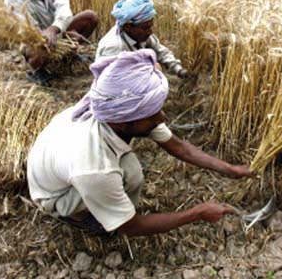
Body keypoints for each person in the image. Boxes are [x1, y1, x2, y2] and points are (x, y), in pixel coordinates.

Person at [27, 49, 251, 236]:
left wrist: (231, 170)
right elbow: (131, 227)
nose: (161, 118)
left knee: (131, 171)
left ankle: (108, 206)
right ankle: (79, 216)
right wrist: (197, 213)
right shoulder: (94, 167)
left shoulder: (117, 111)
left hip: (58, 167)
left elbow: (179, 147)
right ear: (123, 123)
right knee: (126, 178)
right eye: (153, 115)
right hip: (55, 195)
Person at [4, 0, 99, 85]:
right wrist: (45, 36)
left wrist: (55, 30)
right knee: (37, 49)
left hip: (57, 31)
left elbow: (64, 10)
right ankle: (37, 70)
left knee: (90, 17)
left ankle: (70, 55)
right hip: (35, 39)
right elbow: (27, 28)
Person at [95, 0, 189, 78]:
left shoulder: (141, 34)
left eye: (150, 27)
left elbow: (161, 51)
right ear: (128, 27)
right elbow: (110, 81)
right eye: (146, 28)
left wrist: (178, 69)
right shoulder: (114, 47)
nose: (150, 32)